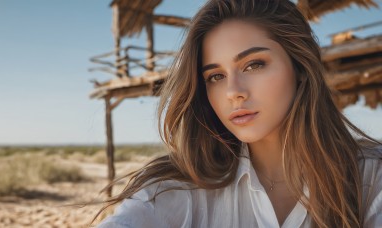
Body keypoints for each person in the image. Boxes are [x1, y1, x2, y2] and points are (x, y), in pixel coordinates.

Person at [96, 0, 382, 227]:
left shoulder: (371, 178)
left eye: (253, 65)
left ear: (300, 67)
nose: (234, 91)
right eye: (215, 76)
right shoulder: (175, 190)